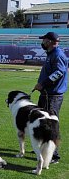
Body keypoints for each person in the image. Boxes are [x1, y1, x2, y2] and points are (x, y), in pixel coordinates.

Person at [33, 31, 68, 164]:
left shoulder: (57, 55)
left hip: (52, 95)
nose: (42, 42)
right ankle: (43, 146)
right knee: (42, 120)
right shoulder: (52, 54)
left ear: (50, 42)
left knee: (50, 124)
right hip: (47, 94)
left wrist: (43, 83)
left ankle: (54, 154)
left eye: (44, 40)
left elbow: (60, 72)